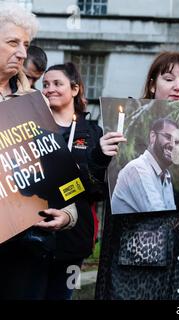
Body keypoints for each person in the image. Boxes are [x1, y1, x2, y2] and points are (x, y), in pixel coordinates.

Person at [97, 51, 179, 300]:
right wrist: (100, 156)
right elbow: (158, 210)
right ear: (153, 84)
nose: (178, 87)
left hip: (177, 259)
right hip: (136, 262)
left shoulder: (166, 172)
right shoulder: (133, 157)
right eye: (169, 78)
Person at [0, 3, 78, 300]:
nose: (21, 53)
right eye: (12, 43)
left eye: (26, 44)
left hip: (26, 247)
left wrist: (68, 214)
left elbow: (56, 165)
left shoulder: (35, 102)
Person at [41, 62, 123, 299]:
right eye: (45, 84)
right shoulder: (33, 127)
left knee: (65, 294)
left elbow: (99, 186)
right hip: (34, 234)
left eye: (58, 83)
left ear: (75, 89)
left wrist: (80, 170)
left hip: (76, 240)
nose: (50, 89)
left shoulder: (94, 133)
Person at [111, 118, 179, 214]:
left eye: (176, 142)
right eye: (168, 137)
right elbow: (159, 216)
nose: (173, 145)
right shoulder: (137, 169)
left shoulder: (166, 176)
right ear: (153, 136)